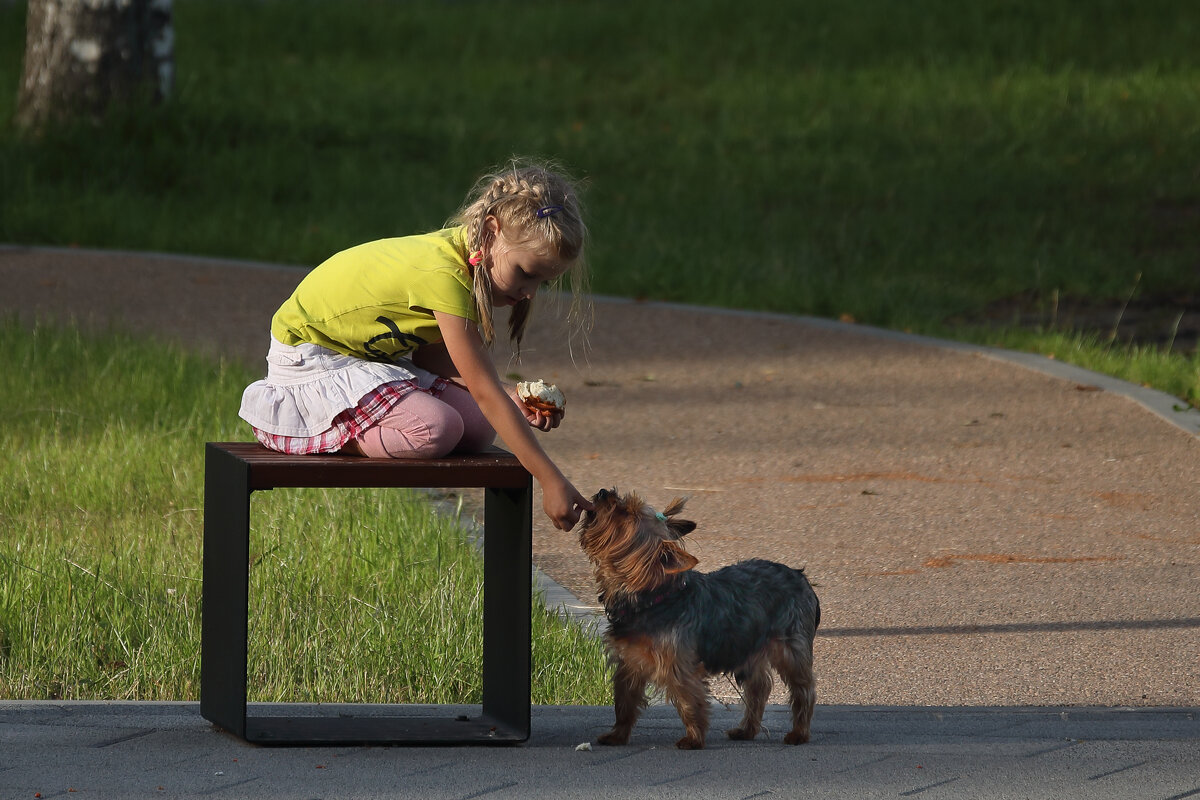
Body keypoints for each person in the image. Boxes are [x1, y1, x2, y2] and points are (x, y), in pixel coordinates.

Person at [238, 159, 593, 531]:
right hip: (313, 358)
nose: (529, 293)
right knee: (435, 429)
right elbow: (484, 393)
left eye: (543, 284)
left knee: (476, 428)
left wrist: (510, 396)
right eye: (526, 274)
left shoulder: (468, 259)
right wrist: (550, 480)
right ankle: (314, 429)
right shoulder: (445, 274)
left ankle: (353, 421)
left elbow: (430, 353)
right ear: (491, 232)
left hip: (369, 360)